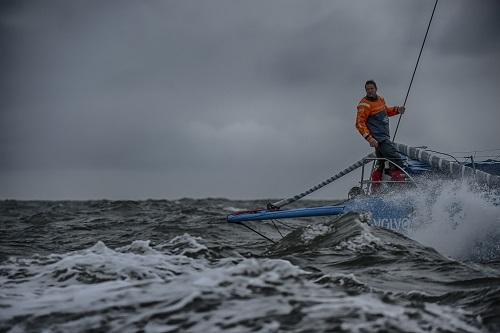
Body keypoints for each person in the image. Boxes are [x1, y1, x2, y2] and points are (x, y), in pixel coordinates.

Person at [355, 80, 406, 189]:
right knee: (396, 159)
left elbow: (386, 111)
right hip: (379, 139)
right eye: (367, 89)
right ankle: (401, 189)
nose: (369, 91)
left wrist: (398, 110)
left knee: (381, 163)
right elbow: (359, 124)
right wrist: (369, 138)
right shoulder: (364, 105)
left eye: (371, 88)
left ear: (376, 88)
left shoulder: (381, 99)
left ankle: (375, 190)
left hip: (384, 137)